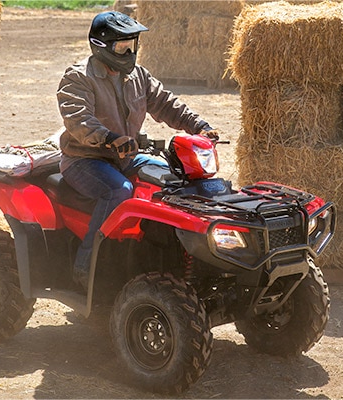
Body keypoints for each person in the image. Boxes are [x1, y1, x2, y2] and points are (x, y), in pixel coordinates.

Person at [56, 10, 221, 289]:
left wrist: (199, 125)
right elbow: (77, 120)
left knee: (171, 181)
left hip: (126, 156)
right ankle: (88, 266)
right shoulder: (78, 78)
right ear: (101, 46)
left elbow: (166, 104)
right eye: (123, 46)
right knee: (118, 190)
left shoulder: (138, 76)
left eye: (132, 45)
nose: (129, 52)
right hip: (85, 159)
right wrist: (108, 138)